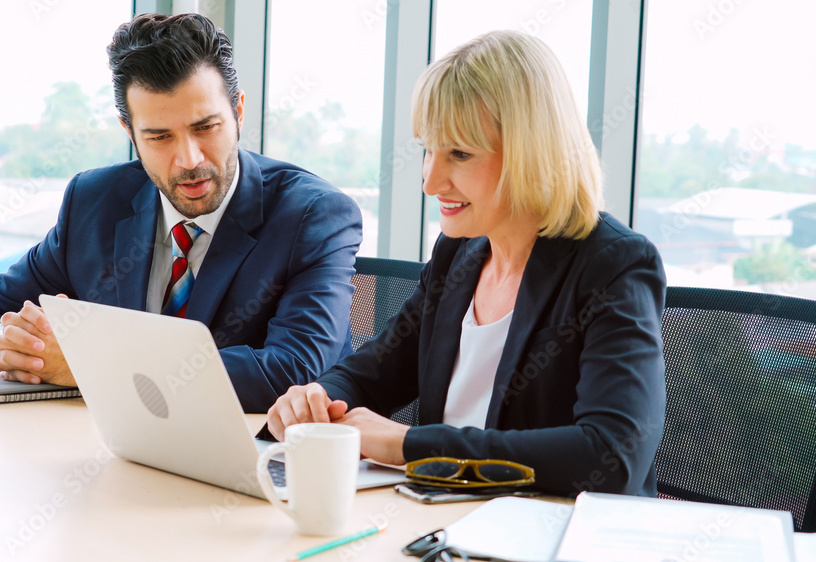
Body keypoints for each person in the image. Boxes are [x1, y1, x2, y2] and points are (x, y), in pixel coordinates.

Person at [266, 30, 666, 497]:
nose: (430, 181)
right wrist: (317, 399)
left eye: (459, 154)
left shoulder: (613, 265)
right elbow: (374, 372)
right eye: (428, 150)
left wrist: (412, 446)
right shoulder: (460, 253)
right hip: (440, 521)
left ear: (530, 153)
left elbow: (611, 455)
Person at [0, 13, 362, 413]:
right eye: (159, 136)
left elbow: (293, 370)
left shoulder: (314, 216)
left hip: (256, 464)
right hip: (111, 451)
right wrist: (11, 349)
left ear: (237, 112)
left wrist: (93, 367)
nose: (189, 159)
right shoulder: (93, 201)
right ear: (130, 132)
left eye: (205, 127)